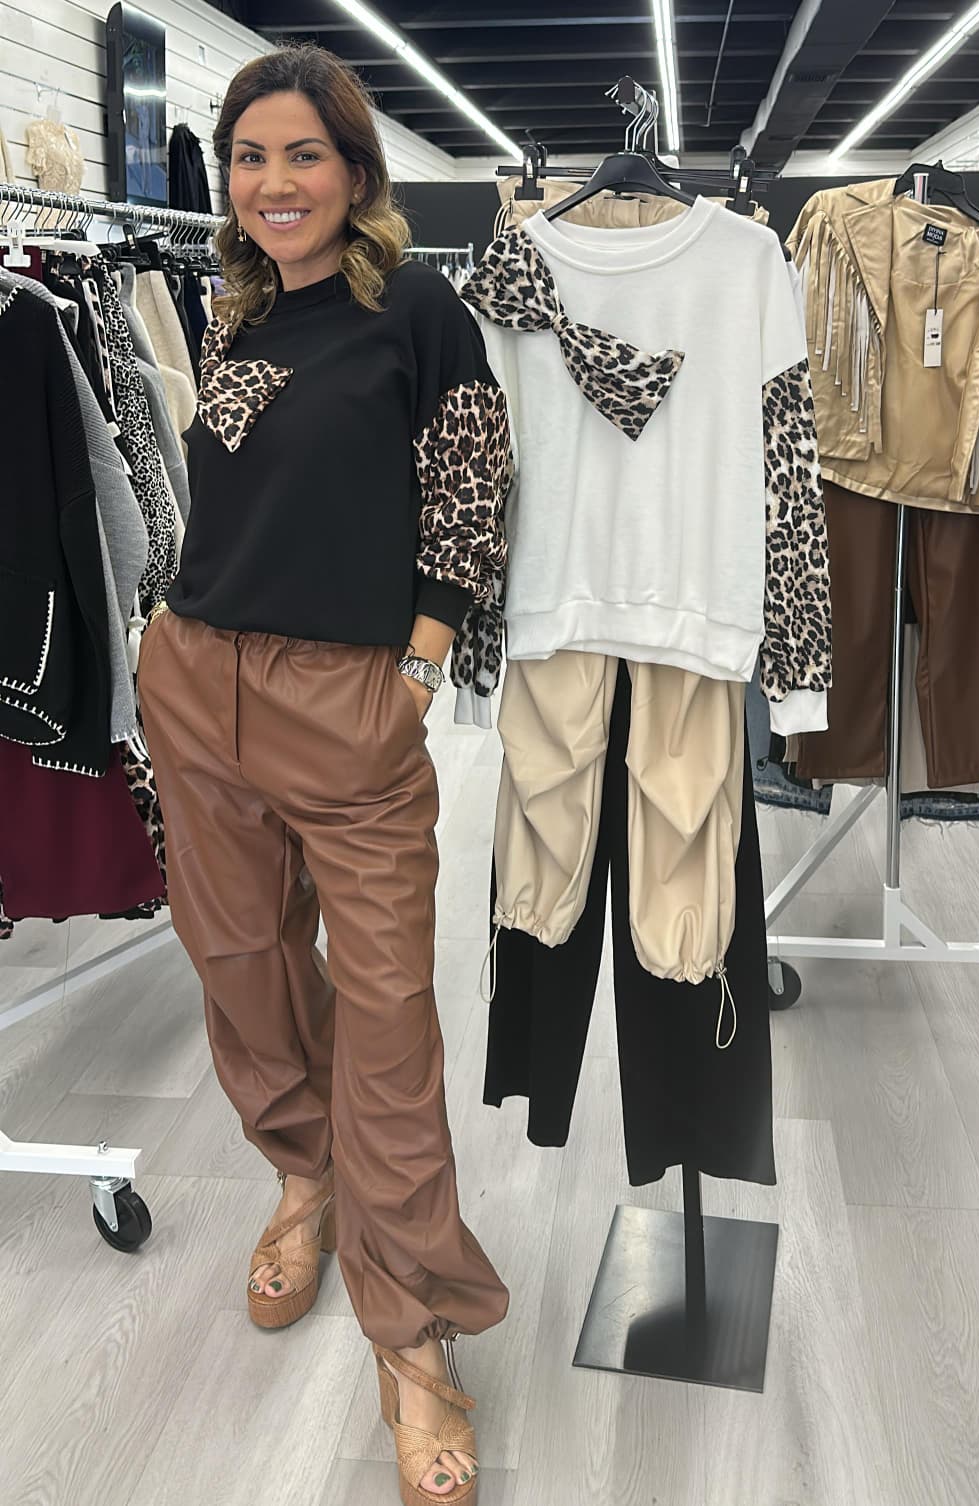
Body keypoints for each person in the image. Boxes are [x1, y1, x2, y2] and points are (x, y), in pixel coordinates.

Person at [136, 44, 510, 1505]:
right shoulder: (232, 308)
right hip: (198, 678)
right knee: (239, 962)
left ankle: (411, 1330)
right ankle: (305, 1176)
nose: (273, 183)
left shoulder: (413, 308)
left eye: (303, 154)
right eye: (249, 157)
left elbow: (474, 488)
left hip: (345, 698)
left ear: (356, 171)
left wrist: (414, 670)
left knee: (389, 1013)